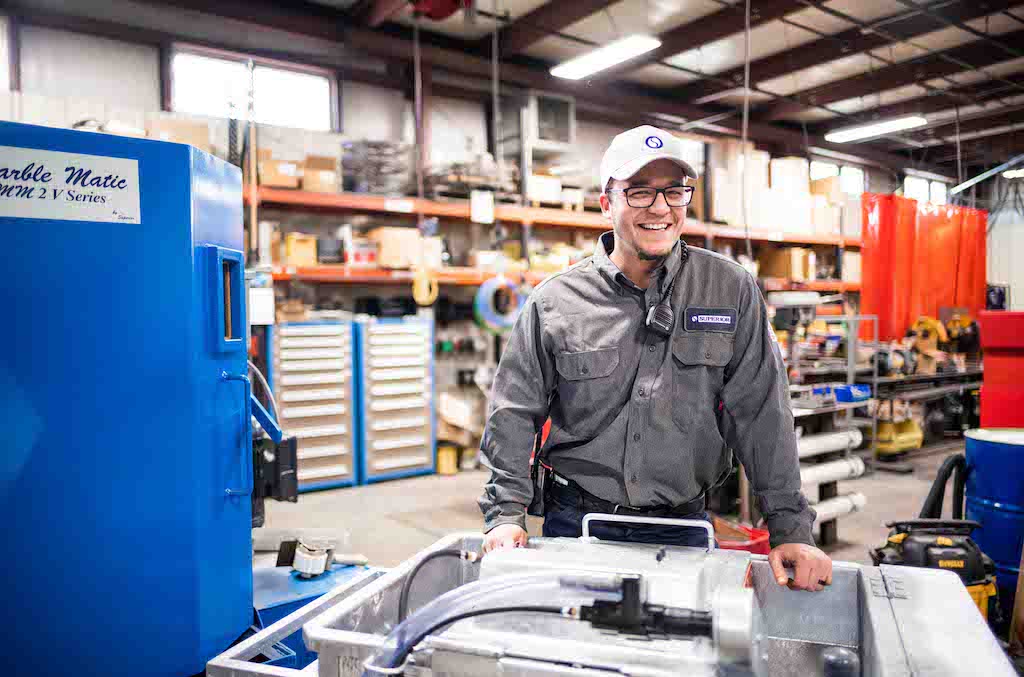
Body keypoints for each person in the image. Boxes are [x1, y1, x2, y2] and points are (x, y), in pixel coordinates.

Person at [476, 125, 832, 591]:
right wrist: (506, 514)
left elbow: (763, 413)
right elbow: (514, 413)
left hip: (684, 526)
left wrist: (789, 528)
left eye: (674, 192)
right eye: (640, 192)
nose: (660, 208)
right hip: (578, 523)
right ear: (607, 202)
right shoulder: (554, 302)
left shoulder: (730, 290)